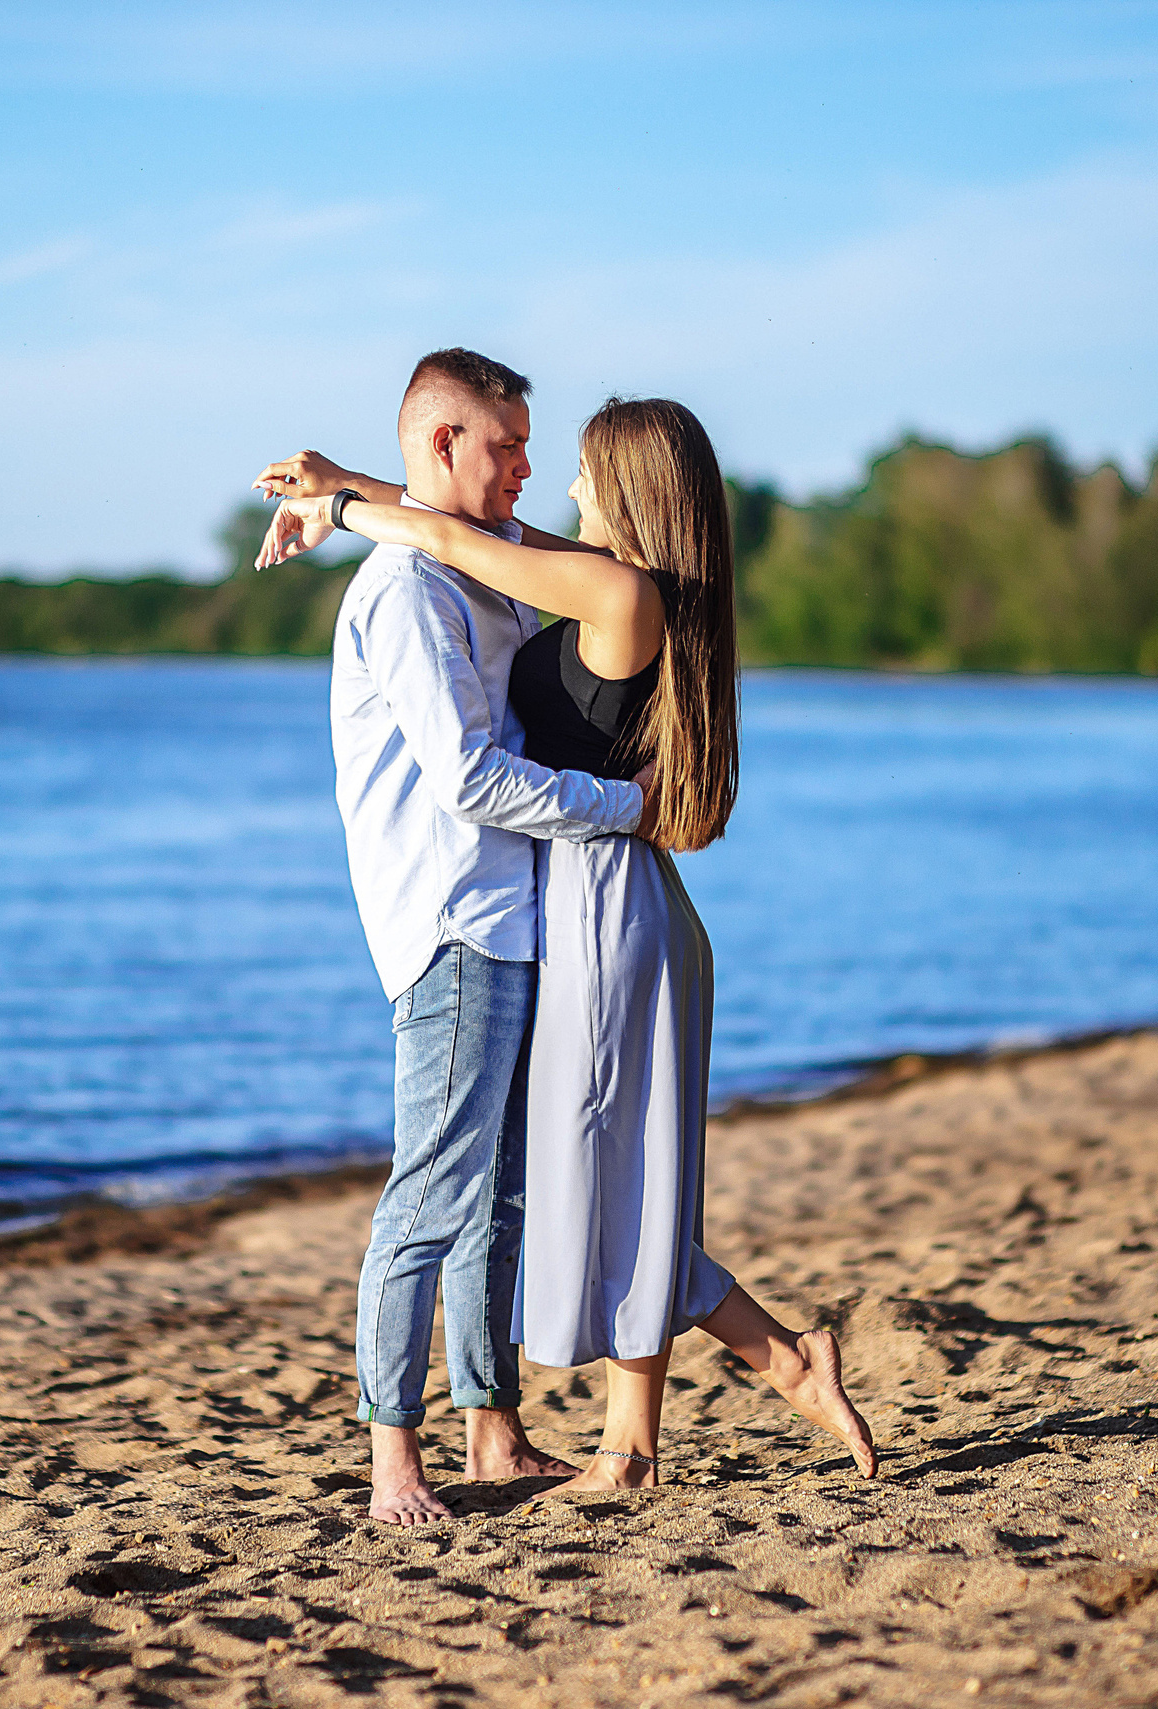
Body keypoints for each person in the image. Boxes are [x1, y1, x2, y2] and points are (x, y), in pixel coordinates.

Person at [257, 395, 878, 1494]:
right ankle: (699, 1409)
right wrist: (343, 480)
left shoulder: (618, 588)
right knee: (608, 1185)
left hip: (603, 901)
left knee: (606, 1189)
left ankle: (757, 1378)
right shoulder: (611, 574)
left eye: (587, 472)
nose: (564, 487)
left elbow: (452, 538)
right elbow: (467, 526)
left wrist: (344, 505)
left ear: (634, 491)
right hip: (594, 896)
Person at [279, 349, 656, 1526]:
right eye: (506, 445)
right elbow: (472, 779)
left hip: (510, 919)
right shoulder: (403, 590)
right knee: (431, 1191)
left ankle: (490, 1429)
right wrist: (626, 808)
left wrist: (347, 486)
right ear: (442, 445)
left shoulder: (473, 576)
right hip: (450, 924)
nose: (526, 469)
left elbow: (555, 561)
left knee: (496, 1197)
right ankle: (394, 1457)